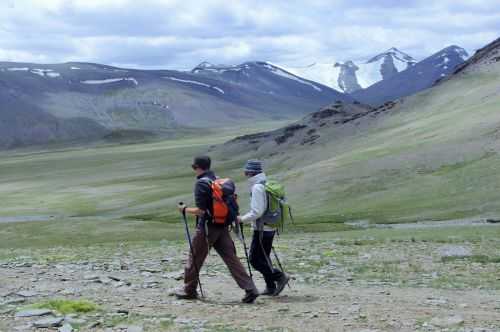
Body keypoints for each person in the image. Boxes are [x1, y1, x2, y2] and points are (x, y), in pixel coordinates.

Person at [175, 155, 259, 303]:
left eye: (193, 167)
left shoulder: (201, 184)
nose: (194, 170)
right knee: (231, 259)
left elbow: (202, 211)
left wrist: (185, 209)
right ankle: (250, 288)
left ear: (197, 167)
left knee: (195, 257)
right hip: (223, 226)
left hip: (207, 228)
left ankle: (189, 290)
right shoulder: (218, 179)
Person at [237, 160, 290, 296]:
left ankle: (279, 277)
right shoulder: (267, 183)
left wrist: (241, 219)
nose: (244, 174)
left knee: (254, 259)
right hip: (271, 227)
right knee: (265, 257)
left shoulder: (257, 187)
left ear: (250, 172)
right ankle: (270, 287)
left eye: (246, 171)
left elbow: (257, 212)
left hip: (261, 228)